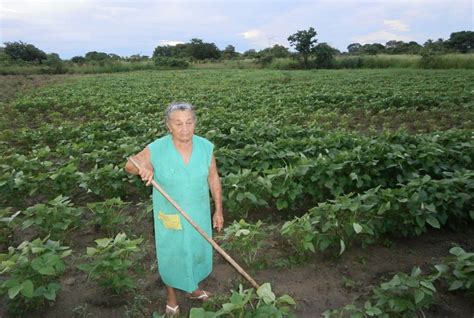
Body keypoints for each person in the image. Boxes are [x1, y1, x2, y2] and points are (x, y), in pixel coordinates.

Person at [124, 102, 224, 316]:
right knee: (172, 255)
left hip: (198, 213)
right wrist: (146, 167)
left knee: (197, 250)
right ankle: (171, 297)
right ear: (169, 126)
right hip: (170, 215)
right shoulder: (158, 147)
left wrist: (218, 210)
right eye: (178, 123)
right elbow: (130, 164)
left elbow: (213, 177)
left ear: (195, 123)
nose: (184, 128)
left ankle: (193, 289)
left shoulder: (206, 147)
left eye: (189, 122)